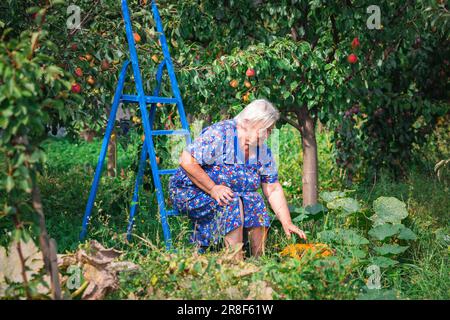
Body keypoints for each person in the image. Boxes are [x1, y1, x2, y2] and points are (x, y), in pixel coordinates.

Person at [169, 99, 306, 259]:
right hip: (192, 190)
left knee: (255, 200)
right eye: (265, 129)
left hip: (226, 193)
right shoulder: (221, 134)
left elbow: (272, 187)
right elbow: (186, 160)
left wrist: (287, 222)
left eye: (270, 130)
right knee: (231, 200)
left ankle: (259, 260)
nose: (268, 134)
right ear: (248, 123)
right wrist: (213, 188)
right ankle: (236, 262)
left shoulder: (261, 150)